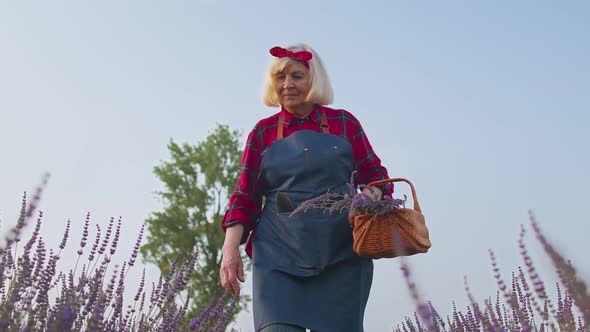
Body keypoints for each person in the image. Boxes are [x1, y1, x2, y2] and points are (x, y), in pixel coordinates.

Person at [220, 43, 392, 332]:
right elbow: (245, 196)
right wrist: (229, 249)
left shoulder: (344, 123)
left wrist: (374, 193)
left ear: (314, 80)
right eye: (280, 78)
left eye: (296, 76)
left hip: (341, 254)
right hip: (278, 257)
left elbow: (376, 174)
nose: (287, 84)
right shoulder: (262, 132)